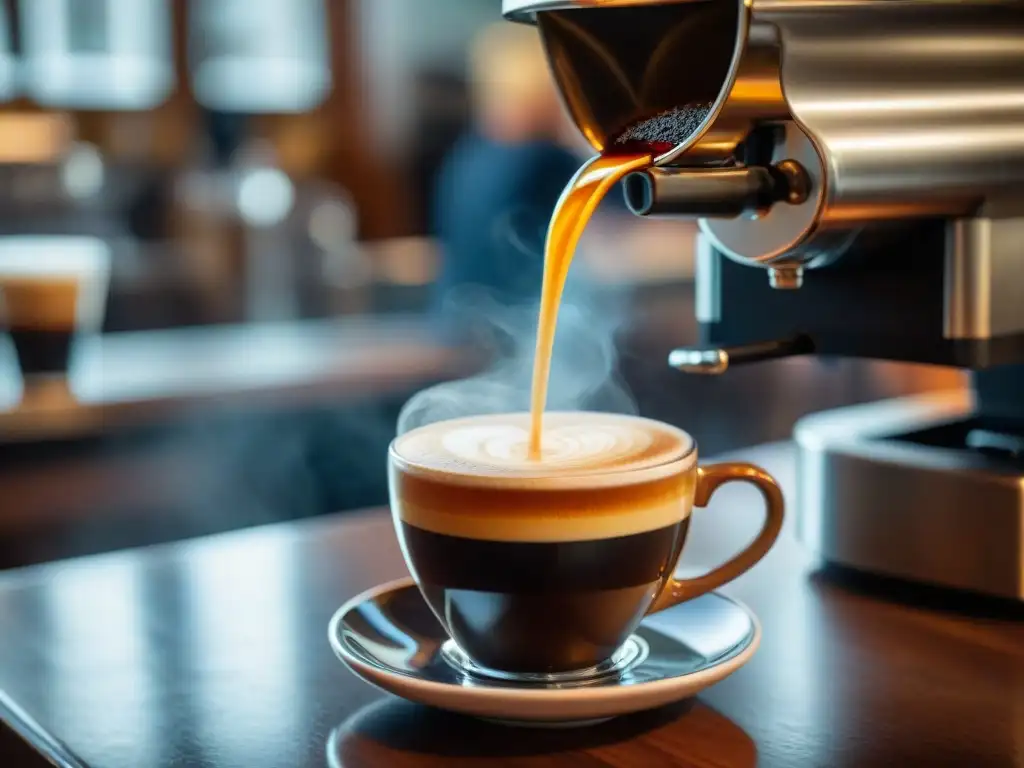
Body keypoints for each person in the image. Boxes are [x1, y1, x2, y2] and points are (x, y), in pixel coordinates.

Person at [428, 23, 584, 322]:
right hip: (512, 323)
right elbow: (606, 241)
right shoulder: (542, 159)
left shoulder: (470, 152)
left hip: (453, 316)